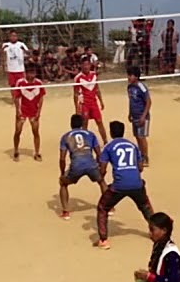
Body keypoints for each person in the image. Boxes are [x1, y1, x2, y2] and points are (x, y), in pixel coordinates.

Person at [96, 120, 154, 250]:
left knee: (103, 208)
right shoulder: (133, 146)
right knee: (145, 207)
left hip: (119, 185)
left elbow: (103, 169)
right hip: (137, 184)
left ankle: (103, 240)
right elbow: (140, 168)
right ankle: (157, 232)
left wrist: (100, 177)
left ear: (111, 133)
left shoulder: (108, 147)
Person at [58, 113, 104, 220]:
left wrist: (62, 173)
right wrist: (100, 167)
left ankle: (66, 211)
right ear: (82, 123)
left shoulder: (66, 136)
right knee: (101, 181)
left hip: (76, 164)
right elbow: (99, 154)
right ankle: (109, 208)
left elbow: (62, 158)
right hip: (90, 163)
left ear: (71, 124)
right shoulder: (90, 134)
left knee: (63, 183)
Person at [13, 64, 47, 162]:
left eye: (34, 73)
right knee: (18, 131)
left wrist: (39, 112)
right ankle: (16, 150)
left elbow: (41, 98)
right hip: (22, 111)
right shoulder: (20, 83)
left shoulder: (39, 83)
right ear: (26, 73)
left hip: (34, 111)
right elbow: (16, 97)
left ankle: (37, 152)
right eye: (30, 73)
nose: (32, 75)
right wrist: (18, 111)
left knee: (36, 132)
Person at [73, 59, 108, 143]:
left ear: (90, 65)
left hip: (94, 102)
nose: (86, 67)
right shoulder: (78, 78)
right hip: (84, 103)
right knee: (85, 123)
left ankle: (105, 141)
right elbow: (75, 94)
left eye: (87, 65)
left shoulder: (94, 75)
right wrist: (77, 108)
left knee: (99, 121)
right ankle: (85, 142)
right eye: (84, 65)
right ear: (81, 66)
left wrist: (101, 101)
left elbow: (97, 89)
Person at [127, 67, 152, 167]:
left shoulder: (141, 87)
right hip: (134, 115)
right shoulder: (129, 87)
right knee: (137, 136)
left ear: (136, 77)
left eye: (130, 75)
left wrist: (143, 116)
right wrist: (130, 113)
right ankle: (141, 155)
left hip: (142, 116)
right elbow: (131, 101)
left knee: (142, 137)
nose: (128, 77)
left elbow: (149, 102)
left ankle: (145, 157)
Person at [2, 30, 29, 102]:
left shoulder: (21, 44)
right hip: (11, 69)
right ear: (9, 37)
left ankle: (23, 98)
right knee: (12, 85)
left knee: (22, 85)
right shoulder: (6, 44)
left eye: (15, 36)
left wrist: (24, 50)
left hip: (20, 69)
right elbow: (2, 55)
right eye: (12, 36)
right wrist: (4, 66)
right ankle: (14, 99)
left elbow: (28, 53)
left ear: (17, 37)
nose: (13, 37)